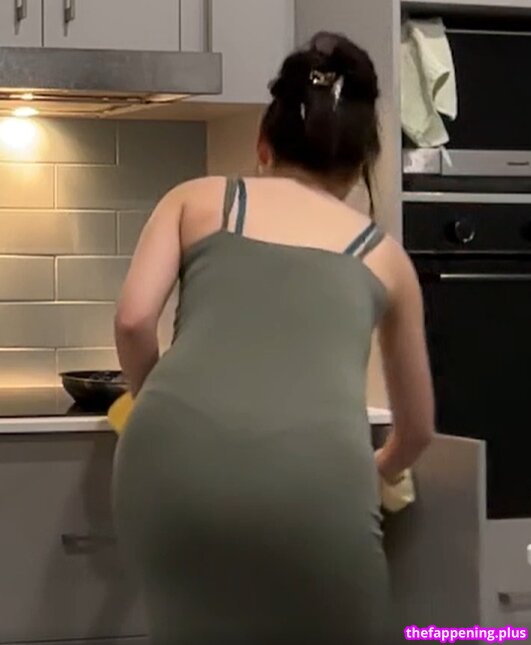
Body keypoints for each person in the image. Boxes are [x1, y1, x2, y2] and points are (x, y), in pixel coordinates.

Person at [113, 31, 435, 645]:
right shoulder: (387, 258)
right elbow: (416, 430)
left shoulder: (197, 198)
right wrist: (378, 468)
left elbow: (132, 321)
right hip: (316, 484)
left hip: (164, 465)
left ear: (264, 141)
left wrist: (155, 405)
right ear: (362, 163)